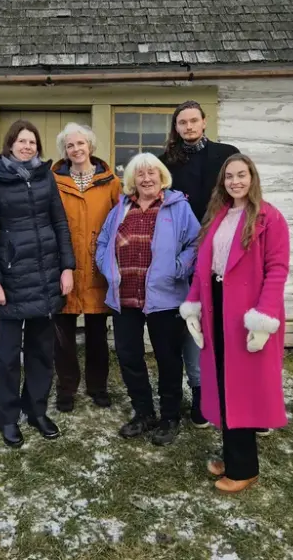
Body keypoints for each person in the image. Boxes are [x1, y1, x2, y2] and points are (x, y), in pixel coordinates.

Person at [179, 153, 289, 493]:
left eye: (241, 175)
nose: (235, 181)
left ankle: (245, 469)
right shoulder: (219, 215)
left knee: (243, 389)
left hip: (247, 314)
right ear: (222, 182)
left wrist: (264, 315)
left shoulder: (270, 218)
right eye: (229, 176)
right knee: (224, 384)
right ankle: (231, 456)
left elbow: (277, 269)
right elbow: (203, 266)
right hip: (217, 307)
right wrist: (193, 305)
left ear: (252, 177)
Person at [0, 120, 76, 448]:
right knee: (6, 355)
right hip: (12, 278)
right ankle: (7, 416)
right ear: (10, 144)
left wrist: (67, 268)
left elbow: (60, 223)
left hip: (46, 276)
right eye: (22, 141)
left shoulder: (45, 176)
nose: (27, 146)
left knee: (41, 351)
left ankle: (36, 410)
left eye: (32, 141)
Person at [95, 152, 200, 446]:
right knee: (129, 357)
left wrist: (180, 267)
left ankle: (169, 417)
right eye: (140, 174)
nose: (147, 178)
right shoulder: (121, 208)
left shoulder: (177, 207)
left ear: (161, 176)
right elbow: (103, 242)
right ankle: (143, 413)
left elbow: (195, 242)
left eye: (152, 172)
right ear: (132, 180)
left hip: (164, 299)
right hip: (124, 295)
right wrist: (107, 267)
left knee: (168, 359)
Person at [160, 100, 240, 429]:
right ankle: (196, 392)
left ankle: (223, 393)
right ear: (176, 127)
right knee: (188, 325)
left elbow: (240, 195)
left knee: (219, 326)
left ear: (204, 122)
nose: (189, 127)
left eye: (194, 121)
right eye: (182, 123)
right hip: (180, 253)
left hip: (221, 249)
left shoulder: (226, 154)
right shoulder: (167, 162)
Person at [51, 122, 122, 412]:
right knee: (62, 334)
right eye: (70, 145)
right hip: (63, 267)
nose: (76, 149)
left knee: (96, 334)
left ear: (90, 146)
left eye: (81, 143)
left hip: (97, 268)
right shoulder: (52, 181)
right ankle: (66, 388)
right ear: (65, 151)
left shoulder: (111, 182)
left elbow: (122, 220)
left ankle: (97, 386)